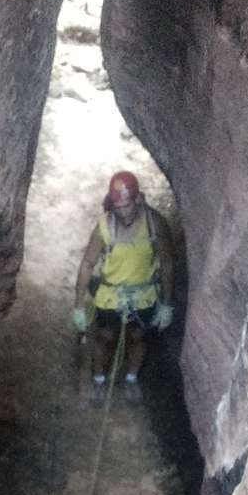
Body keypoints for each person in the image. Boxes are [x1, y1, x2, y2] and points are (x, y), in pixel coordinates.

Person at [72, 171, 175, 404]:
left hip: (143, 295)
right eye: (118, 207)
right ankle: (99, 380)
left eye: (127, 206)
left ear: (137, 199)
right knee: (105, 338)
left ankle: (131, 379)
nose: (123, 213)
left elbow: (167, 264)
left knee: (137, 337)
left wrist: (166, 305)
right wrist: (78, 306)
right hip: (111, 295)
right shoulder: (105, 227)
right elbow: (87, 264)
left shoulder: (154, 224)